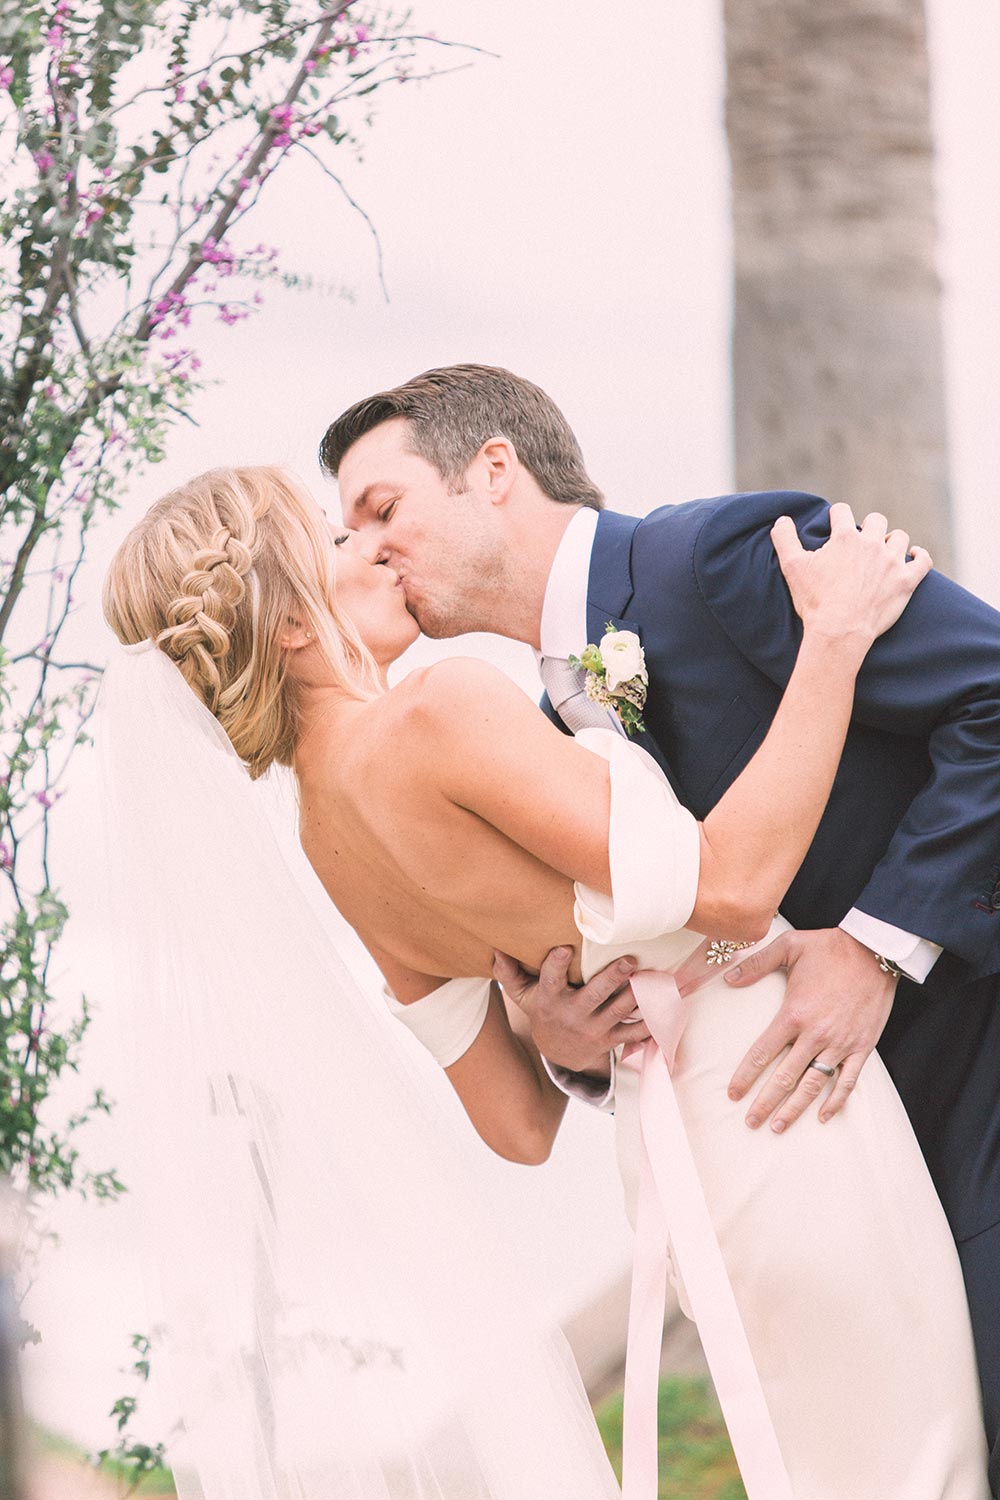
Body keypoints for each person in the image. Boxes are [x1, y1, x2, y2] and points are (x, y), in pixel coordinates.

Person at [101, 463, 988, 1499]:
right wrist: (834, 645)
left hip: (680, 1154)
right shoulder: (437, 707)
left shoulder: (324, 843)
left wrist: (558, 1034)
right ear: (291, 625)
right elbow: (736, 890)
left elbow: (516, 1124)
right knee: (920, 1458)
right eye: (337, 544)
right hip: (782, 1085)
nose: (376, 548)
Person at [321, 364, 1000, 1495]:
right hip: (822, 1173)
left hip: (970, 1097)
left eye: (382, 510)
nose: (370, 550)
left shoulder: (727, 556)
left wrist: (878, 943)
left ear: (494, 470)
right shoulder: (537, 742)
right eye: (348, 535)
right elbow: (691, 951)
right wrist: (572, 1043)